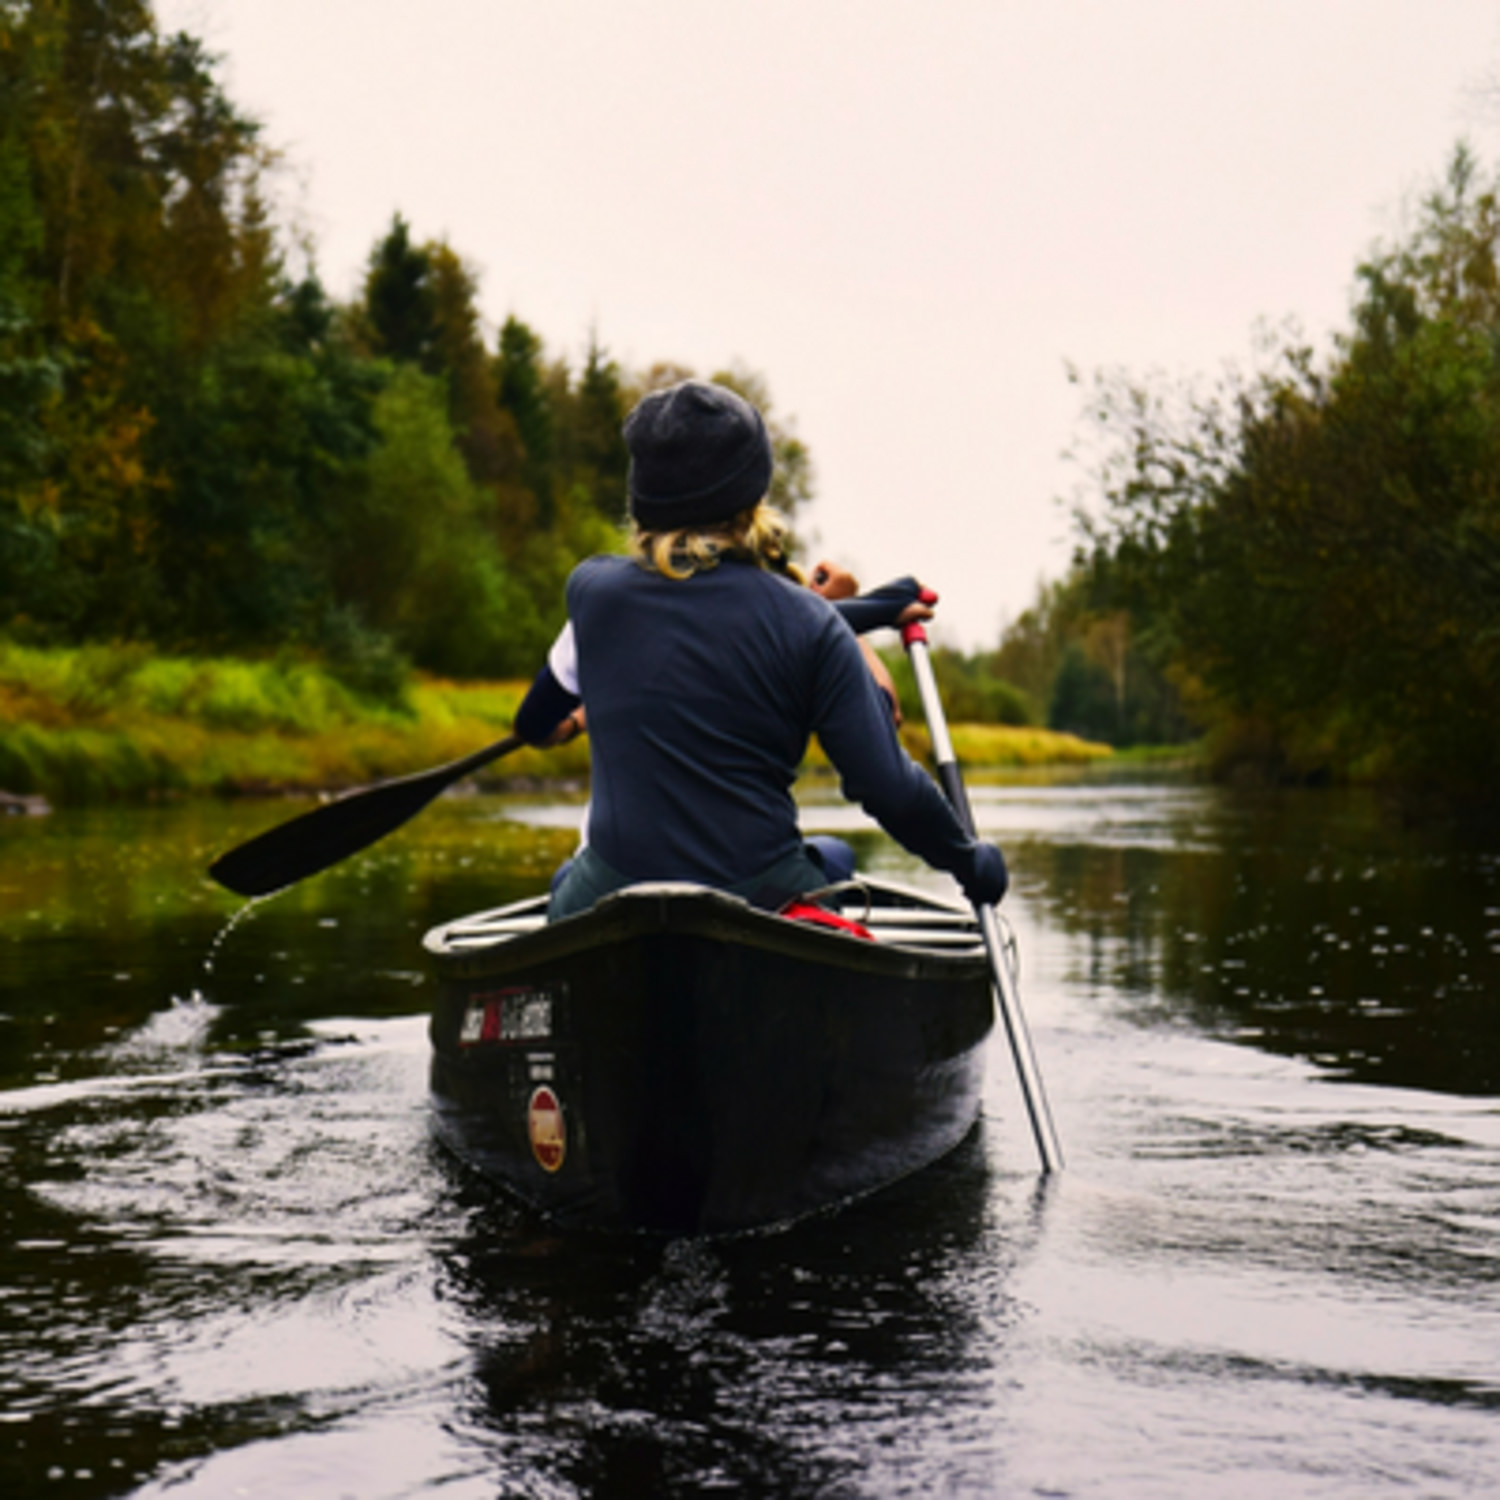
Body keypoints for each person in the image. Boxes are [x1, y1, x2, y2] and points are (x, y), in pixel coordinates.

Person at [513, 378, 1009, 921]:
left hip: (611, 892)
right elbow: (888, 790)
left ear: (642, 497)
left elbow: (535, 722)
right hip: (760, 898)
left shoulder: (593, 593)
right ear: (751, 495)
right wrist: (969, 861)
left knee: (569, 878)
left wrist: (875, 608)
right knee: (836, 858)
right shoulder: (809, 625)